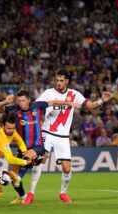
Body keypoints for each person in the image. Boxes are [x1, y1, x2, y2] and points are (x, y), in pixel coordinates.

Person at [24, 69, 112, 204]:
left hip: (63, 137)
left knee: (67, 168)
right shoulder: (48, 93)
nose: (58, 83)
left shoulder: (74, 94)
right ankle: (31, 193)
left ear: (67, 81)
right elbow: (35, 106)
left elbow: (90, 106)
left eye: (61, 80)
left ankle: (63, 193)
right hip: (47, 132)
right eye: (56, 80)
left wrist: (102, 100)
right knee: (41, 159)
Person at [0, 88, 81, 204]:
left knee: (25, 161)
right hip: (23, 147)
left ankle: (32, 164)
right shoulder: (14, 109)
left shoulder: (37, 106)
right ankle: (22, 196)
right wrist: (5, 102)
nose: (21, 103)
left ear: (29, 100)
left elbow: (53, 102)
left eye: (23, 100)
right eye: (19, 101)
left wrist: (69, 103)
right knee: (13, 177)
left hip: (37, 146)